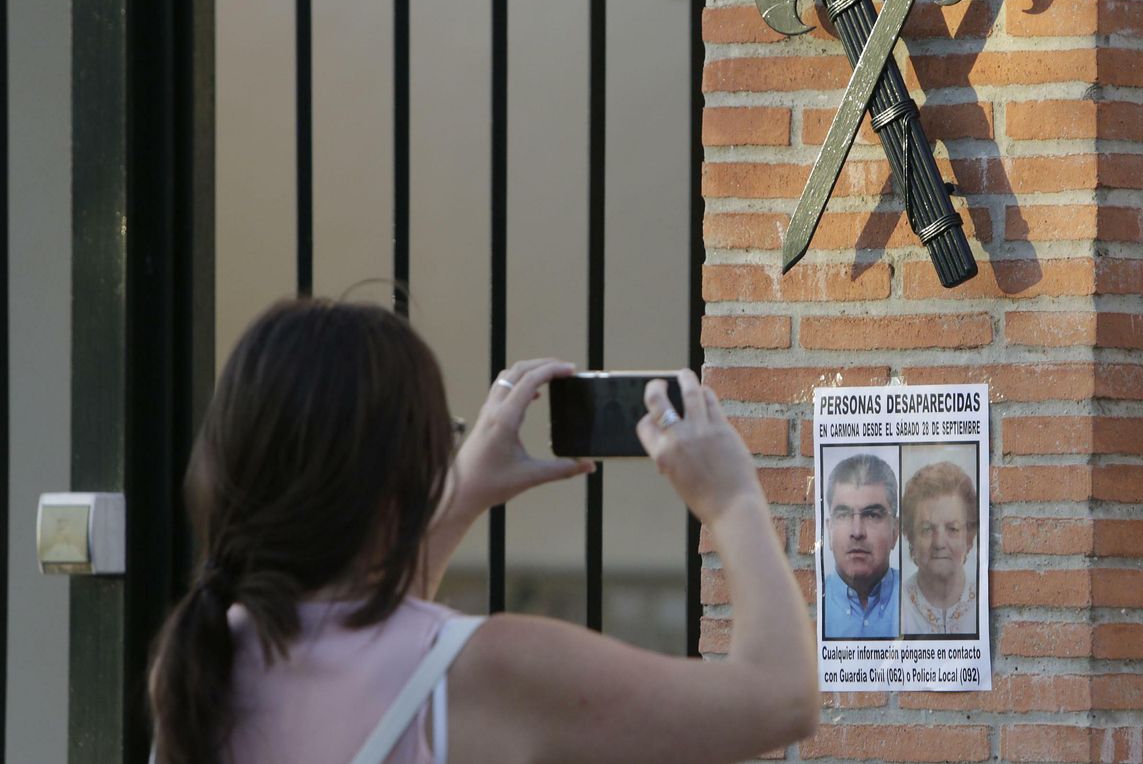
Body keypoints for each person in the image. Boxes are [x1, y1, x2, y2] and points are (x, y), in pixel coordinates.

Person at [146, 299, 817, 764]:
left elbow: (380, 630)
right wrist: (731, 501)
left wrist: (456, 495)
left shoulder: (201, 664)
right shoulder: (490, 669)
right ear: (398, 485)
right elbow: (780, 699)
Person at [820, 453, 899, 639]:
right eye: (844, 515)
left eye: (872, 515)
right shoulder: (811, 605)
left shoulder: (922, 603)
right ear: (829, 531)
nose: (857, 532)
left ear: (895, 531)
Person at [899, 461, 978, 636]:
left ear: (969, 537)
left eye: (953, 529)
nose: (939, 543)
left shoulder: (985, 602)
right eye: (927, 529)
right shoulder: (895, 605)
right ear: (911, 536)